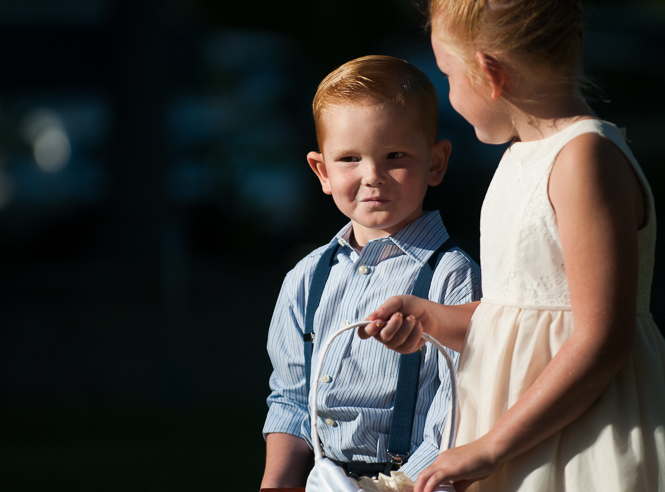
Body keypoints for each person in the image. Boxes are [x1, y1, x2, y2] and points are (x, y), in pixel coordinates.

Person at [359, 1, 665, 491]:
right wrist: (438, 319)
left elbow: (601, 338)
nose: (449, 95)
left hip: (584, 435)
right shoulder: (521, 157)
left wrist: (491, 446)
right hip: (516, 430)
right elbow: (524, 315)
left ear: (490, 74)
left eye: (448, 75)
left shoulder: (584, 158)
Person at [260, 55, 482, 489]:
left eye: (395, 155)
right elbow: (291, 400)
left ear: (436, 162)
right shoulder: (306, 279)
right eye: (349, 159)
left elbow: (462, 407)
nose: (372, 175)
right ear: (321, 171)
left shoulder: (453, 277)